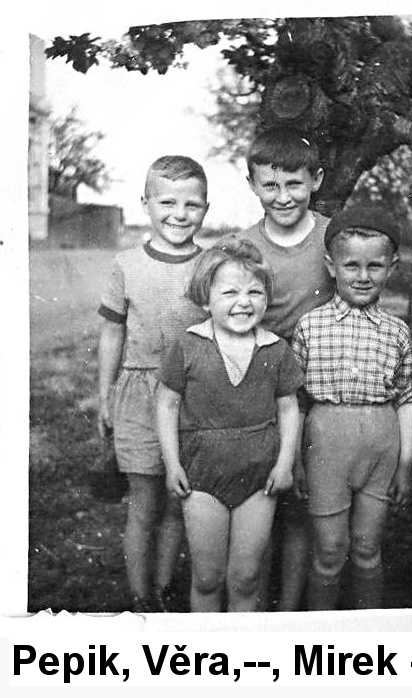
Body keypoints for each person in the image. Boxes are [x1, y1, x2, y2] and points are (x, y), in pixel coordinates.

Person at [155, 236, 303, 612]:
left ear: (267, 297)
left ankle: (243, 641)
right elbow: (167, 404)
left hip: (259, 475)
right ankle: (206, 644)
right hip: (201, 473)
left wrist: (285, 464)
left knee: (246, 577)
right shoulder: (188, 345)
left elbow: (288, 408)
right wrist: (172, 465)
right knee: (207, 577)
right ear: (206, 299)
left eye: (255, 292)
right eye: (230, 292)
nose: (244, 302)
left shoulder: (275, 349)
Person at [291, 205, 412, 611]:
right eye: (351, 265)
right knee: (329, 550)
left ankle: (368, 629)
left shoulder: (397, 332)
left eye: (375, 266)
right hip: (326, 446)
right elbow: (295, 400)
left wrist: (405, 464)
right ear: (332, 266)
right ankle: (319, 631)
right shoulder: (310, 326)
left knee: (367, 547)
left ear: (391, 267)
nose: (363, 276)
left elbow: (407, 397)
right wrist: (295, 460)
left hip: (381, 446)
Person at [97, 155, 211, 612]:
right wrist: (104, 395)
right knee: (144, 502)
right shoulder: (126, 264)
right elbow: (112, 332)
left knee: (178, 499)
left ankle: (162, 590)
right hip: (139, 394)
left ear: (206, 208)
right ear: (145, 204)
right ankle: (139, 596)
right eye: (167, 202)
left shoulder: (210, 265)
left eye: (191, 204)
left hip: (193, 397)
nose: (179, 214)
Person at [241, 127, 335, 611]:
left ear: (315, 180)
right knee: (259, 499)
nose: (283, 197)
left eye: (294, 184)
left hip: (319, 387)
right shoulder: (243, 246)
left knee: (301, 503)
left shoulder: (332, 237)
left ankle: (292, 608)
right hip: (261, 388)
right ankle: (253, 604)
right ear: (253, 185)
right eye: (270, 185)